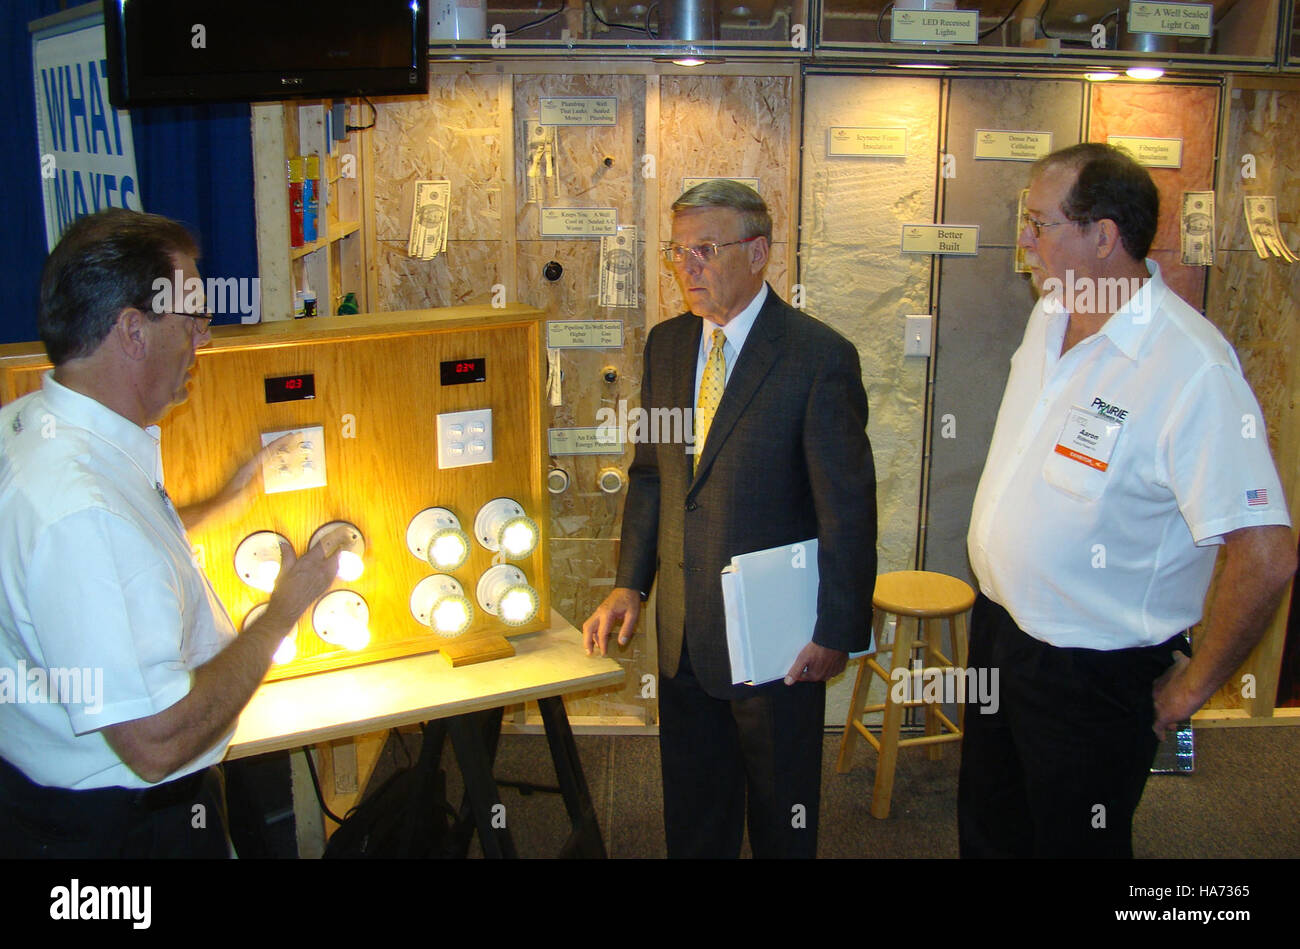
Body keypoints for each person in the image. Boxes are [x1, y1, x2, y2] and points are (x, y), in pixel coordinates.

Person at [962, 143, 1296, 858]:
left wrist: (1187, 691)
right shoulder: (1051, 311)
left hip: (1092, 675)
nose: (1024, 240)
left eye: (1039, 223)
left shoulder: (1191, 368)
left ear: (1104, 236)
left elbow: (1266, 556)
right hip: (1001, 634)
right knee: (992, 830)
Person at [0, 208, 343, 858]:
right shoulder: (81, 510)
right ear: (132, 330)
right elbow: (155, 742)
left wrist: (222, 502)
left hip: (41, 804)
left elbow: (107, 553)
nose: (202, 341)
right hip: (119, 832)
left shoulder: (31, 428)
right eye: (191, 319)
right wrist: (280, 615)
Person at [583, 181, 877, 858]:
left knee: (782, 812)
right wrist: (631, 581)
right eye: (678, 251)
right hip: (686, 629)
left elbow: (849, 510)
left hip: (778, 638)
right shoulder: (666, 345)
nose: (686, 266)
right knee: (694, 810)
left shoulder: (818, 357)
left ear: (758, 252)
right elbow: (653, 476)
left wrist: (838, 628)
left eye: (704, 250)